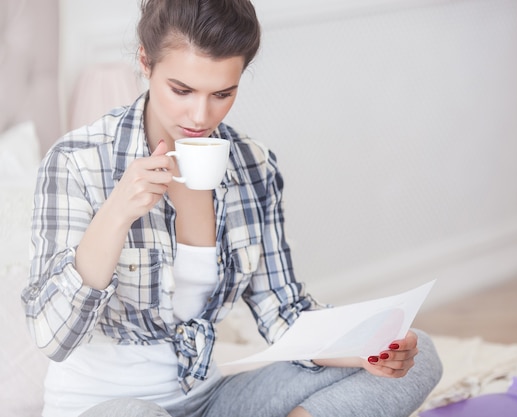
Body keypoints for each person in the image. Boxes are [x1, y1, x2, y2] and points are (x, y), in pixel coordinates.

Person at [22, 1, 443, 416]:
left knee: (418, 357)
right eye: (181, 90)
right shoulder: (77, 161)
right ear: (145, 62)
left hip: (210, 400)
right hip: (105, 407)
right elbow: (54, 338)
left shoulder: (252, 165)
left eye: (223, 93)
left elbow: (284, 312)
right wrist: (114, 217)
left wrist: (364, 349)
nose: (201, 115)